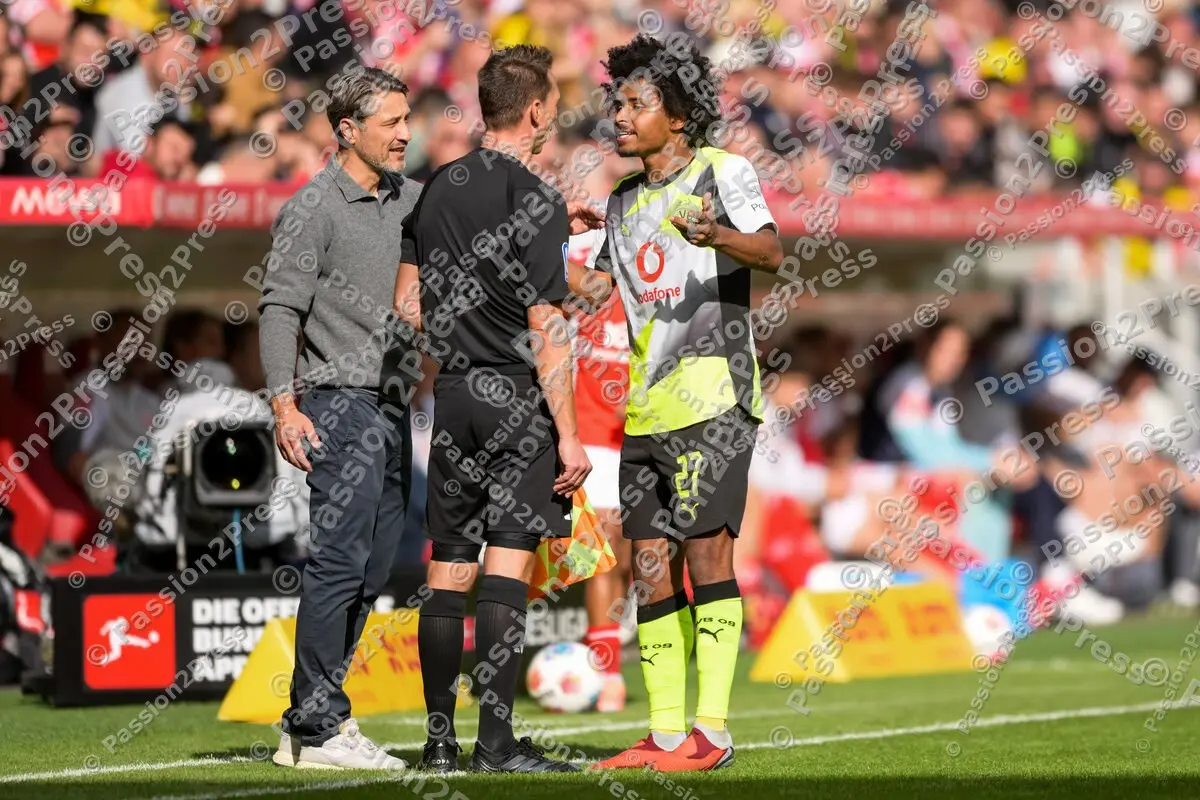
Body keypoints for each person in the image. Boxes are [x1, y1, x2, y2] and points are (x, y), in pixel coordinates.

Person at [580, 34, 784, 772]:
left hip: (715, 400)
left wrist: (716, 232)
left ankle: (714, 732)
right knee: (649, 564)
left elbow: (770, 252)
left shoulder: (722, 171)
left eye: (636, 104)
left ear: (679, 113)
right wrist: (548, 247)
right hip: (645, 410)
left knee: (707, 554)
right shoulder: (621, 201)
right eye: (617, 102)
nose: (620, 115)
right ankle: (665, 733)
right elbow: (598, 292)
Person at [394, 44, 597, 775]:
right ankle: (496, 744)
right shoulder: (534, 194)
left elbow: (405, 305)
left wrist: (462, 329)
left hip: (453, 395)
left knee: (449, 566)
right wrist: (569, 437)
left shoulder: (435, 187)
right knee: (507, 568)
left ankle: (439, 742)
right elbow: (546, 326)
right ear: (538, 110)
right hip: (516, 397)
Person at [261, 66, 422, 771]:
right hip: (336, 403)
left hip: (393, 406)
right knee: (338, 563)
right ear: (348, 130)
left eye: (407, 118)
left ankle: (306, 721)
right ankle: (321, 725)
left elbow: (485, 221)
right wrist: (284, 404)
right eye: (391, 121)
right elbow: (279, 310)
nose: (406, 132)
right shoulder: (313, 207)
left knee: (373, 568)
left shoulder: (416, 198)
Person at [568, 225, 631, 712]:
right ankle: (607, 668)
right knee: (603, 548)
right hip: (592, 432)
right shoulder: (592, 259)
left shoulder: (663, 285)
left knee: (631, 556)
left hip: (642, 432)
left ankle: (615, 643)